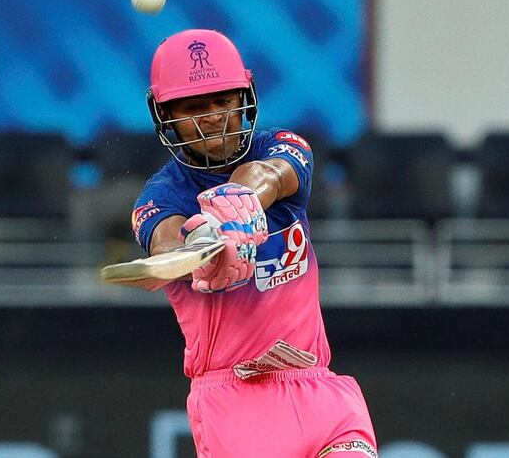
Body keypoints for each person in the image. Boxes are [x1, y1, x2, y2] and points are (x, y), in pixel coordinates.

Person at [130, 29, 377, 457]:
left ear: (245, 99)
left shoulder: (282, 145)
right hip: (235, 402)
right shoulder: (160, 196)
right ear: (164, 115)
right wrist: (200, 248)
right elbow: (165, 244)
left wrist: (236, 204)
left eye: (223, 101)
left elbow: (271, 175)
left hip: (319, 387)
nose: (212, 117)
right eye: (193, 107)